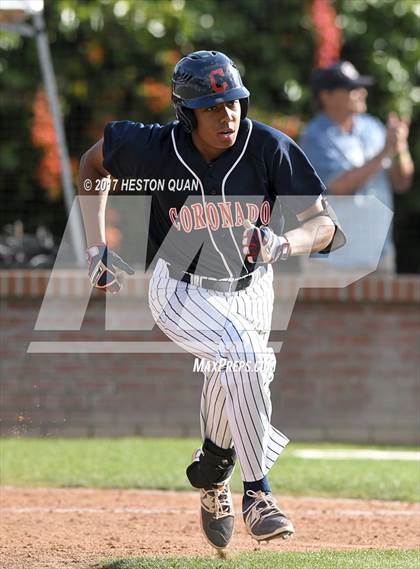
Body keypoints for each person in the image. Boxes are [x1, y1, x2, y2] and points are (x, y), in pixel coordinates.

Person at [78, 50, 344, 551]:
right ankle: (257, 494)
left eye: (234, 103)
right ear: (186, 112)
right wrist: (97, 244)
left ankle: (214, 466)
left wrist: (284, 243)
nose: (228, 115)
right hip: (177, 287)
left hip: (251, 289)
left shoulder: (267, 146)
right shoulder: (154, 147)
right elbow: (94, 162)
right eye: (213, 106)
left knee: (239, 369)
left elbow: (326, 226)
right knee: (244, 357)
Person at [299, 61, 413, 273]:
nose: (361, 92)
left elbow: (401, 183)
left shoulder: (374, 127)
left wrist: (400, 149)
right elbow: (338, 188)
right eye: (352, 88)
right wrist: (385, 152)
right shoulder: (313, 137)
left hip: (379, 254)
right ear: (327, 96)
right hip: (333, 261)